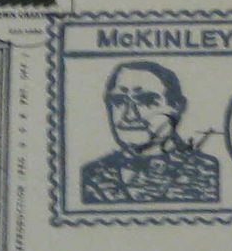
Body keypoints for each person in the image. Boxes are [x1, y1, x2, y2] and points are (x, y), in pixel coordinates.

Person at [79, 60, 220, 204]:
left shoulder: (209, 173)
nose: (130, 115)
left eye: (146, 101)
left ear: (177, 107)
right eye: (119, 101)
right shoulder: (91, 175)